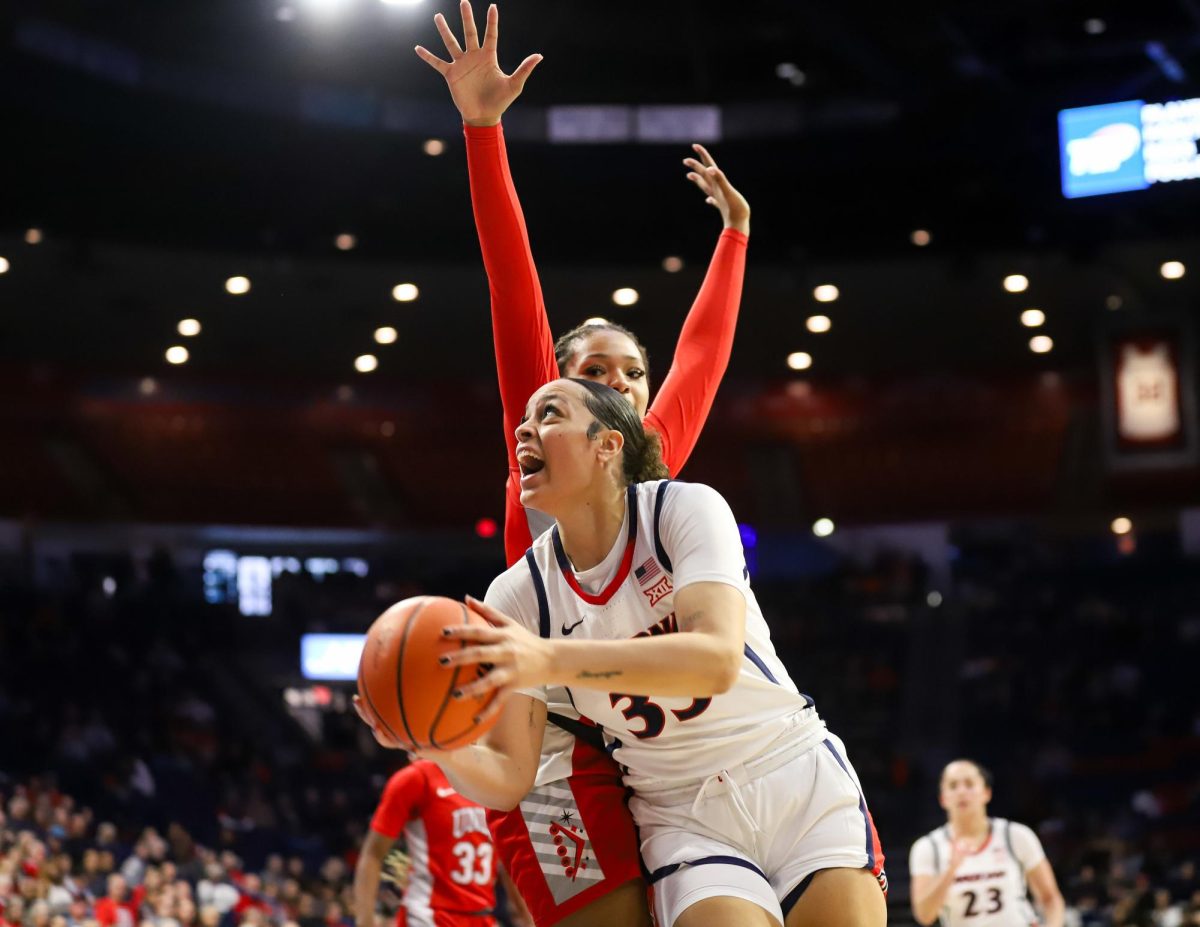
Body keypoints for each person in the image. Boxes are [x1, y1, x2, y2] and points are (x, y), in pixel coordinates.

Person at [415, 5, 750, 925]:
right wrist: (483, 131)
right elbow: (509, 275)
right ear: (552, 396)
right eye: (589, 372)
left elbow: (703, 355)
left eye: (630, 374)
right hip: (554, 735)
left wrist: (734, 236)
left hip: (664, 746)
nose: (616, 385)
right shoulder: (544, 423)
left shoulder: (659, 467)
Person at [357, 378, 888, 927]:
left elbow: (716, 660)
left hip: (789, 770)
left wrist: (548, 659)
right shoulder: (517, 595)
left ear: (607, 444)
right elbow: (512, 775)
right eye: (525, 419)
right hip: (681, 813)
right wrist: (433, 743)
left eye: (550, 414)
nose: (523, 428)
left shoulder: (685, 509)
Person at [908, 759, 1065, 927]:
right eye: (953, 786)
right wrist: (950, 871)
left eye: (969, 784)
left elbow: (1050, 898)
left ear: (986, 793)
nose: (961, 791)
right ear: (943, 799)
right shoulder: (927, 847)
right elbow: (924, 915)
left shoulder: (1015, 835)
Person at [353, 760, 503, 927]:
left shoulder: (490, 780)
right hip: (428, 915)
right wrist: (365, 921)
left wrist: (525, 915)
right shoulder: (417, 777)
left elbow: (507, 859)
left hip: (482, 915)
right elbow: (372, 853)